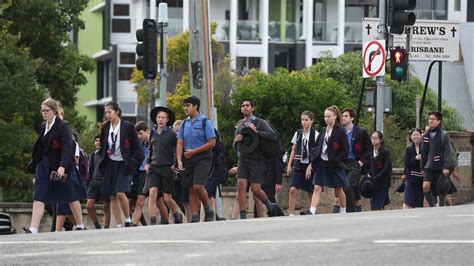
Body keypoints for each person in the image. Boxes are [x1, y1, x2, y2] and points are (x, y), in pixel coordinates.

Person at [25, 98, 86, 233]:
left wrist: (62, 166)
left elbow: (66, 147)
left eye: (46, 110)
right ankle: (33, 228)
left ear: (53, 111)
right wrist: (36, 170)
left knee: (70, 195)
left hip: (62, 165)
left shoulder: (62, 125)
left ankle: (80, 224)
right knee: (39, 195)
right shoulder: (43, 126)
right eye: (42, 111)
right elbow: (41, 148)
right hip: (44, 165)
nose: (44, 113)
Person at [233, 99, 282, 219]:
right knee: (241, 185)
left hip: (257, 159)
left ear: (252, 108)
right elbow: (236, 146)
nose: (245, 108)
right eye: (243, 106)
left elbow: (273, 136)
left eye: (247, 106)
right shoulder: (240, 126)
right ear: (241, 109)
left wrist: (257, 132)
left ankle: (270, 206)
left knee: (255, 189)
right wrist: (236, 141)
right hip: (243, 159)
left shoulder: (260, 122)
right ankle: (243, 216)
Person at [98, 101, 143, 227]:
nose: (107, 115)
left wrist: (132, 163)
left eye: (110, 112)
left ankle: (127, 219)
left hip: (124, 163)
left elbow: (137, 150)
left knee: (120, 192)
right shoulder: (105, 128)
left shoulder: (128, 127)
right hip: (110, 163)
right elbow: (102, 145)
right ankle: (118, 223)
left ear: (117, 112)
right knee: (112, 195)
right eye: (106, 112)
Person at [176, 96, 216, 222]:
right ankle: (195, 216)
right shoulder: (184, 123)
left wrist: (194, 151)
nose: (185, 108)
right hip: (188, 157)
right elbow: (180, 143)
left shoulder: (205, 121)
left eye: (188, 105)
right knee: (190, 188)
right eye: (185, 106)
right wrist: (179, 160)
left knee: (198, 185)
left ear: (195, 106)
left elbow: (212, 142)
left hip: (203, 157)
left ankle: (207, 209)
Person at [306, 106, 348, 215]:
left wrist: (337, 160)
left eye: (329, 116)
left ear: (335, 116)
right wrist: (313, 159)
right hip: (321, 162)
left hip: (334, 164)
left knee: (338, 189)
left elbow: (345, 151)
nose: (326, 119)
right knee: (317, 187)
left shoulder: (341, 131)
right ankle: (312, 211)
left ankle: (343, 211)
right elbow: (316, 146)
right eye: (325, 116)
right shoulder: (323, 130)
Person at [146, 106, 183, 225]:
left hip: (167, 168)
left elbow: (178, 149)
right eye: (159, 117)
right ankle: (152, 221)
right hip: (154, 167)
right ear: (156, 119)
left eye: (163, 118)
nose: (160, 120)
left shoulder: (172, 134)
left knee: (167, 198)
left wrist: (175, 164)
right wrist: (147, 163)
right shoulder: (153, 133)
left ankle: (177, 213)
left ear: (167, 120)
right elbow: (150, 150)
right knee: (152, 194)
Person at [334, 108, 372, 213]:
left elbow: (369, 149)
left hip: (355, 163)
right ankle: (352, 210)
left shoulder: (361, 132)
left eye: (346, 116)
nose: (343, 118)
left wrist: (361, 161)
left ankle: (349, 212)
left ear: (352, 118)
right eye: (343, 116)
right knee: (342, 188)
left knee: (348, 187)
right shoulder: (340, 131)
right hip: (343, 163)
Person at [286, 111, 318, 216]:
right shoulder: (298, 133)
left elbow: (317, 153)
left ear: (311, 121)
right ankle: (291, 213)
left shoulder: (316, 134)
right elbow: (294, 150)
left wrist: (311, 165)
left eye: (306, 120)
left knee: (310, 190)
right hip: (298, 164)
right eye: (302, 120)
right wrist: (289, 165)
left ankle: (312, 211)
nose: (304, 122)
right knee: (293, 189)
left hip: (309, 164)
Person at [421, 111, 452, 207]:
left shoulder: (444, 135)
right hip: (429, 167)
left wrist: (446, 166)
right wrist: (422, 167)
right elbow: (423, 153)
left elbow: (448, 152)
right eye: (429, 119)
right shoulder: (425, 135)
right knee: (425, 187)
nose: (430, 121)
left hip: (440, 166)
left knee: (441, 190)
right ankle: (433, 206)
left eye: (433, 119)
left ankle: (443, 208)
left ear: (438, 121)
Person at [86, 135, 111, 229]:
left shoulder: (107, 154)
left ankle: (106, 227)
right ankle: (97, 226)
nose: (97, 142)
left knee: (106, 206)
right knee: (89, 206)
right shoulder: (93, 155)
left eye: (99, 141)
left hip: (104, 182)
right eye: (96, 141)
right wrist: (89, 181)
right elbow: (90, 170)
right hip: (94, 182)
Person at [129, 121, 149, 226]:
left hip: (150, 173)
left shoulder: (153, 142)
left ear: (147, 131)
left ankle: (166, 220)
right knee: (135, 199)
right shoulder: (138, 144)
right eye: (137, 134)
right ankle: (133, 223)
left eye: (140, 133)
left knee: (160, 200)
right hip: (138, 174)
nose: (138, 136)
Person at [172, 119, 192, 222]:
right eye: (175, 131)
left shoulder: (186, 143)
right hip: (174, 176)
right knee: (174, 199)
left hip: (185, 175)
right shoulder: (171, 143)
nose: (177, 134)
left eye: (178, 131)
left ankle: (191, 221)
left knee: (186, 200)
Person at [368, 131, 392, 211]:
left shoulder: (385, 152)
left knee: (377, 206)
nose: (373, 140)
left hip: (382, 183)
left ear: (380, 140)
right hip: (373, 183)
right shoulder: (371, 152)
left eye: (376, 138)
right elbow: (369, 166)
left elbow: (387, 168)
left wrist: (377, 177)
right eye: (372, 138)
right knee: (374, 206)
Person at [401, 129, 424, 209]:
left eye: (417, 134)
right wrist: (415, 158)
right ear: (411, 137)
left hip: (422, 178)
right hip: (410, 177)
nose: (416, 137)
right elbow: (406, 163)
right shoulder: (409, 149)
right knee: (407, 199)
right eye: (414, 135)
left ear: (421, 136)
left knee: (419, 202)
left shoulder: (425, 148)